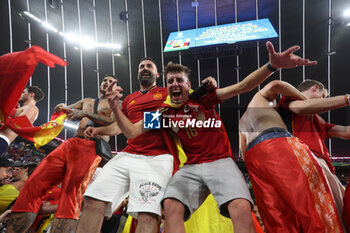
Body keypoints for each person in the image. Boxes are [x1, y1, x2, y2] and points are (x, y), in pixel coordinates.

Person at [104, 41, 317, 233]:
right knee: (170, 206)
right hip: (191, 167)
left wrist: (272, 66)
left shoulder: (204, 99)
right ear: (166, 87)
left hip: (220, 162)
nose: (175, 84)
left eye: (180, 80)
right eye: (171, 81)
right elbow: (131, 132)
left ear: (189, 85)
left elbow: (243, 86)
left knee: (241, 207)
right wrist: (115, 107)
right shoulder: (164, 114)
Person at [77, 58, 185, 233]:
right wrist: (100, 130)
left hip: (157, 158)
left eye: (150, 66)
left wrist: (209, 88)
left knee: (147, 215)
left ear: (157, 74)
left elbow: (135, 129)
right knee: (92, 199)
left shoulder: (167, 92)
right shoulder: (129, 99)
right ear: (138, 73)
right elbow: (121, 126)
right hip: (128, 154)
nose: (145, 68)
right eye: (141, 66)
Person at [6, 75, 116, 233]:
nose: (107, 83)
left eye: (111, 81)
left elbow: (114, 125)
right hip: (70, 143)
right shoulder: (87, 101)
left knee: (71, 195)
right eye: (105, 80)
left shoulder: (117, 104)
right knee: (33, 183)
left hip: (91, 146)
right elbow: (67, 110)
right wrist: (62, 107)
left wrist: (85, 114)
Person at [239, 80, 344, 232]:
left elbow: (243, 152)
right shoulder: (271, 100)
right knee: (315, 208)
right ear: (314, 88)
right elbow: (275, 84)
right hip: (276, 142)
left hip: (253, 159)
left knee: (278, 221)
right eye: (321, 97)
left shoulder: (243, 121)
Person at [277, 79, 350, 224]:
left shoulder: (317, 120)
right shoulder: (290, 99)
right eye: (323, 97)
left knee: (340, 212)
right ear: (315, 88)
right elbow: (300, 108)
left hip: (322, 166)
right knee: (328, 216)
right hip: (304, 159)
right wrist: (346, 99)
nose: (324, 102)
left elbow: (345, 132)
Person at [0, 86, 44, 155]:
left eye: (24, 92)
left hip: (2, 138)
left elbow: (18, 125)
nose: (21, 94)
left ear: (31, 94)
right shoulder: (21, 108)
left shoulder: (32, 108)